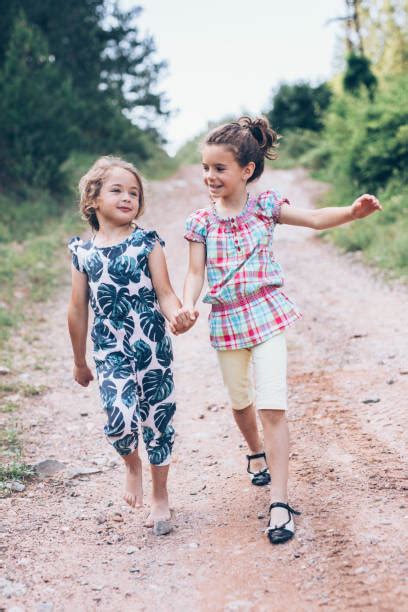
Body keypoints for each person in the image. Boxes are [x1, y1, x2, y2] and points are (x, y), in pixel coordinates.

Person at [177, 116, 382, 544]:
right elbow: (195, 272)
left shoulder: (266, 206)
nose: (209, 177)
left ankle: (280, 503)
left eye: (219, 169)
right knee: (240, 404)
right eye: (206, 168)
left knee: (272, 407)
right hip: (227, 319)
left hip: (267, 313)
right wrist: (188, 305)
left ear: (246, 171)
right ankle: (255, 453)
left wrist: (351, 212)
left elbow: (312, 218)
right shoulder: (200, 222)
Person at [67, 156, 196, 536]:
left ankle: (160, 494)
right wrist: (79, 361)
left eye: (134, 193)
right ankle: (131, 465)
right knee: (118, 417)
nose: (127, 197)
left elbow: (166, 293)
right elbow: (77, 310)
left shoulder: (147, 242)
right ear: (93, 200)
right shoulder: (83, 253)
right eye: (117, 190)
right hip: (110, 352)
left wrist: (178, 316)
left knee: (158, 421)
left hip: (152, 347)